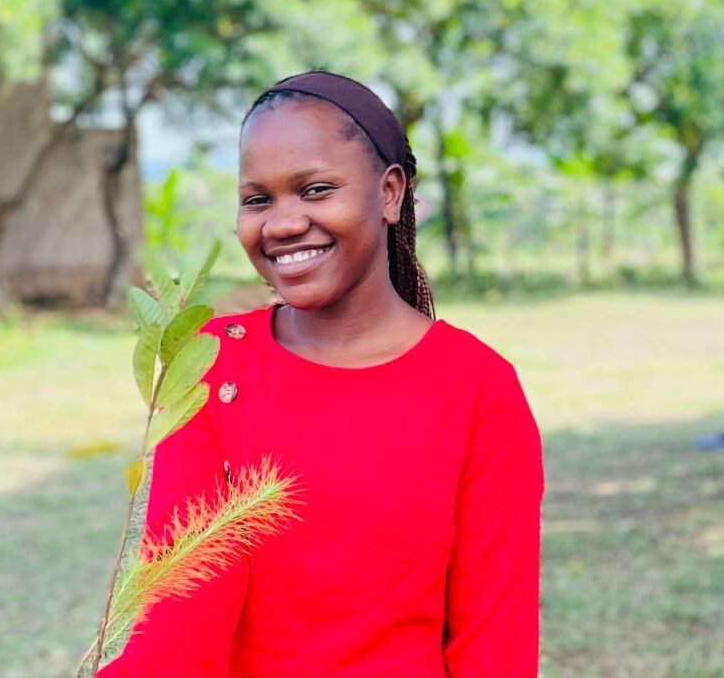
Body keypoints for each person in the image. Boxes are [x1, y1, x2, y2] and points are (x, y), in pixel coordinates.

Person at [99, 71, 545, 677]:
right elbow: (182, 616)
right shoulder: (212, 365)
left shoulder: (477, 389)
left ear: (389, 193)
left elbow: (495, 641)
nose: (281, 223)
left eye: (315, 190)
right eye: (257, 199)